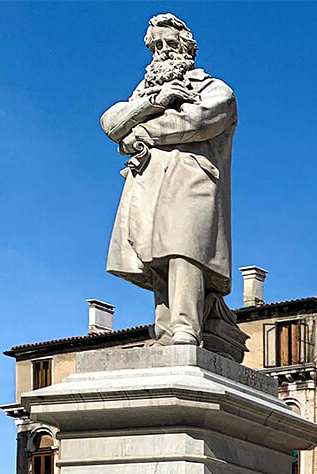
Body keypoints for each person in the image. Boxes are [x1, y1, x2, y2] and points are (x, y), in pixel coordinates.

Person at [100, 13, 246, 360]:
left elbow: (195, 120)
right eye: (156, 46)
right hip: (149, 182)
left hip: (191, 180)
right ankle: (165, 329)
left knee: (184, 250)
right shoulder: (146, 94)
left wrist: (140, 131)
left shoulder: (214, 89)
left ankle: (186, 326)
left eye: (169, 43)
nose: (163, 52)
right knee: (156, 258)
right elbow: (109, 122)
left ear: (187, 47)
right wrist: (156, 101)